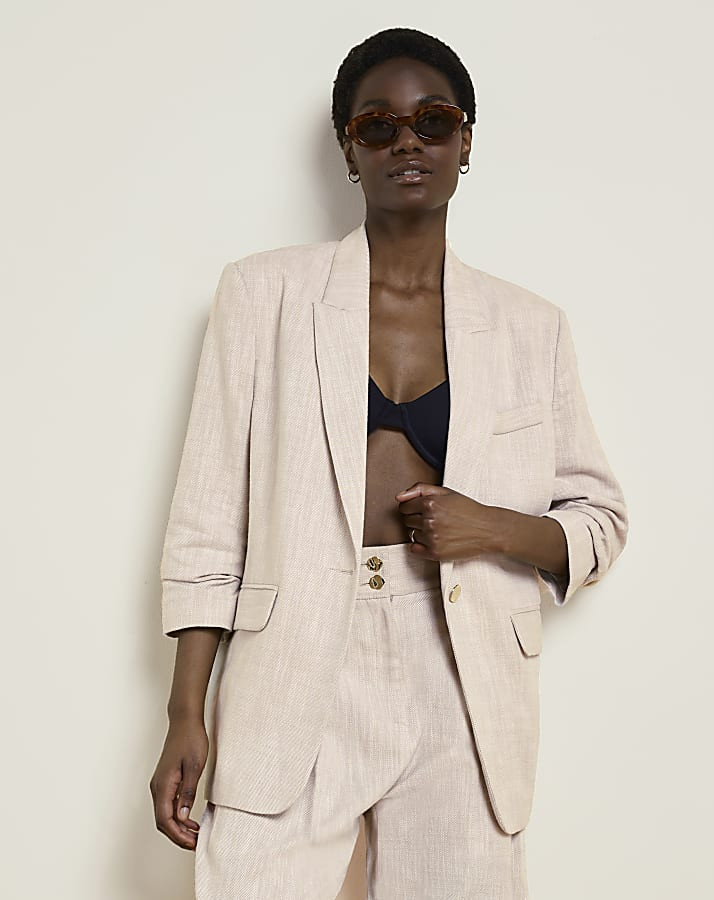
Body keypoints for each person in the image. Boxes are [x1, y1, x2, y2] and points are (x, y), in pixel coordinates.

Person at [149, 26, 629, 899]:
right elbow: (209, 519)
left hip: (463, 673)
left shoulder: (531, 327)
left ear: (465, 142)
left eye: (433, 121)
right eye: (379, 126)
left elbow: (599, 524)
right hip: (292, 661)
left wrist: (489, 526)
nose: (408, 142)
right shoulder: (263, 295)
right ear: (350, 150)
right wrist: (187, 710)